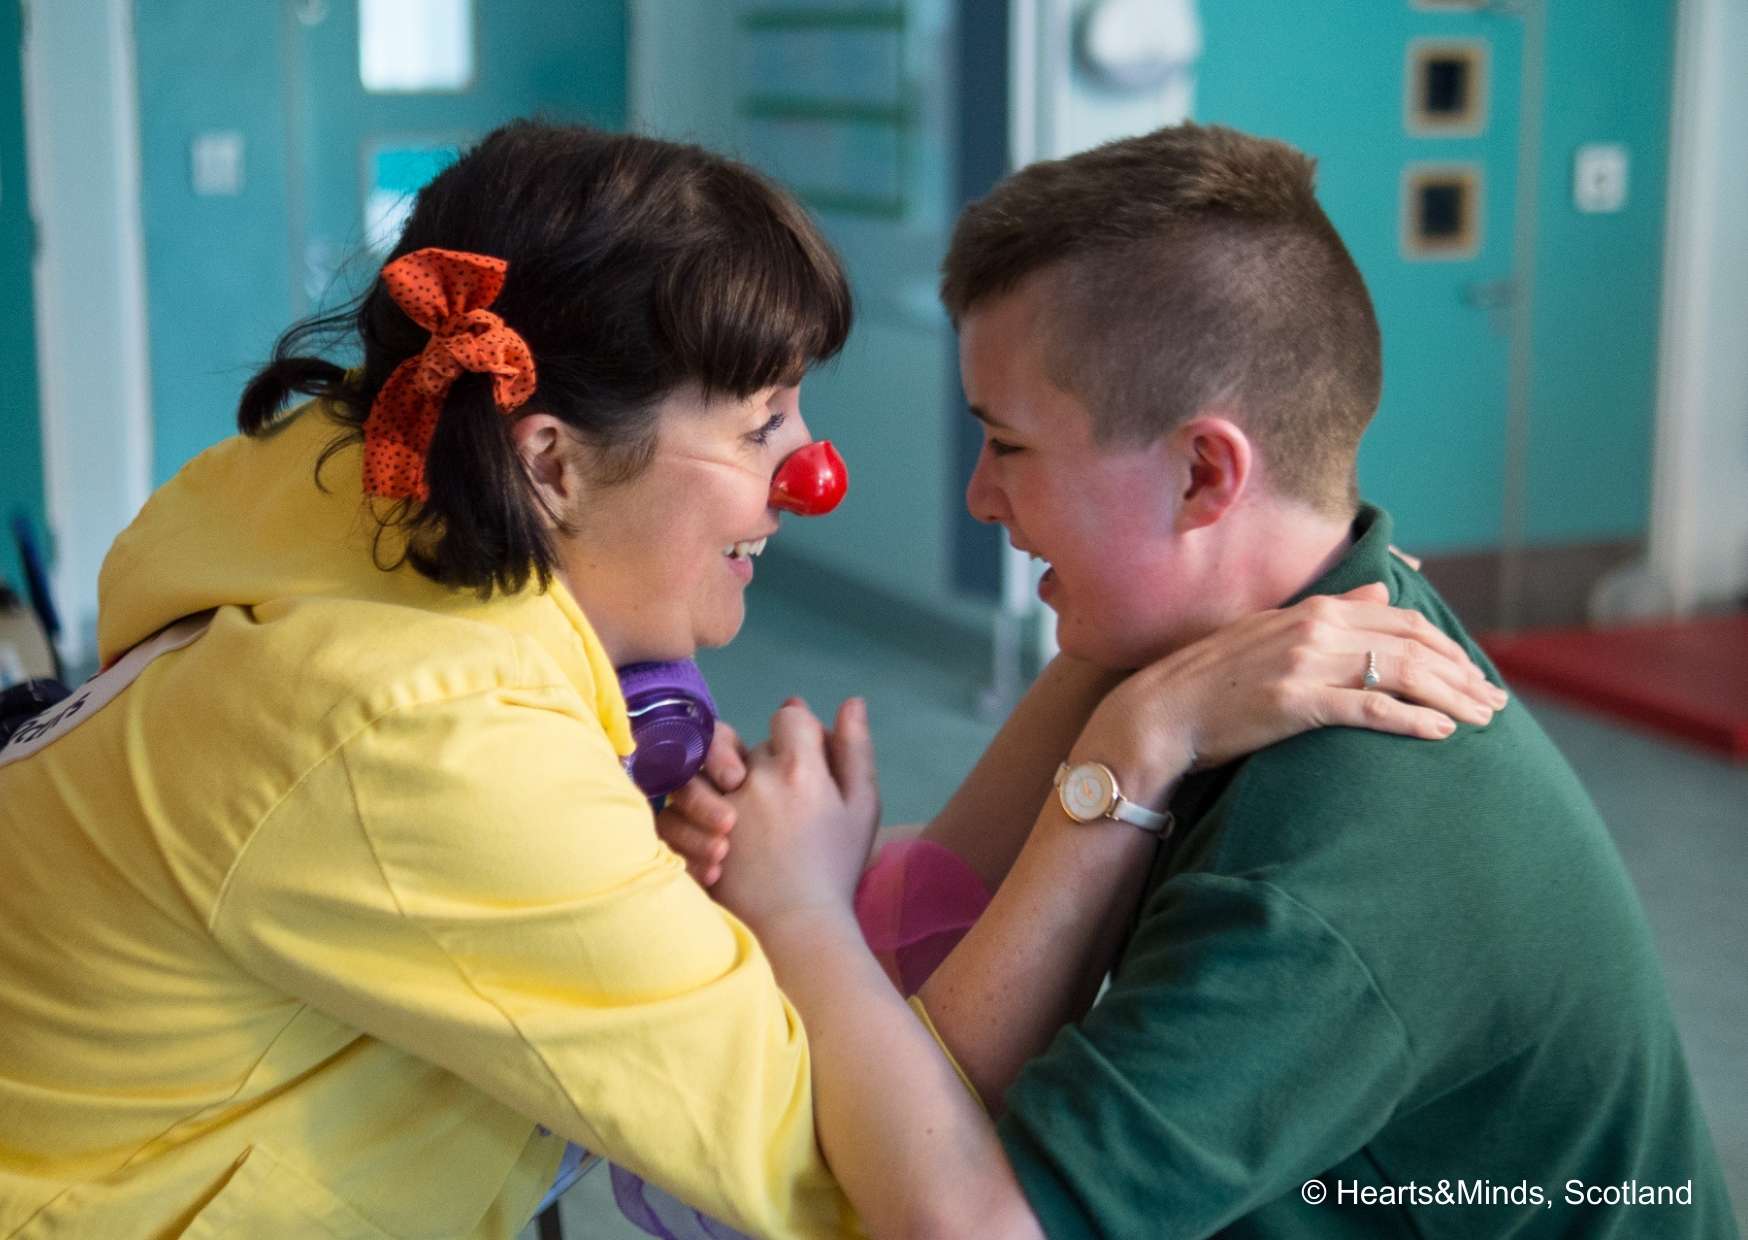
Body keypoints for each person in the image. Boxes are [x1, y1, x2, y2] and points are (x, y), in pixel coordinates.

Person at [0, 120, 1499, 1240]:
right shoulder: (424, 742)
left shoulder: (350, 468)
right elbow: (864, 1173)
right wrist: (1137, 733)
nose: (810, 479)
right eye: (767, 423)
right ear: (550, 463)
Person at [665, 123, 1738, 1237]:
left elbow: (976, 1229)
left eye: (1009, 446)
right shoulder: (1296, 605)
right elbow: (967, 883)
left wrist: (796, 910)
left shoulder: (1329, 860)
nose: (981, 497)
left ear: (1200, 472)